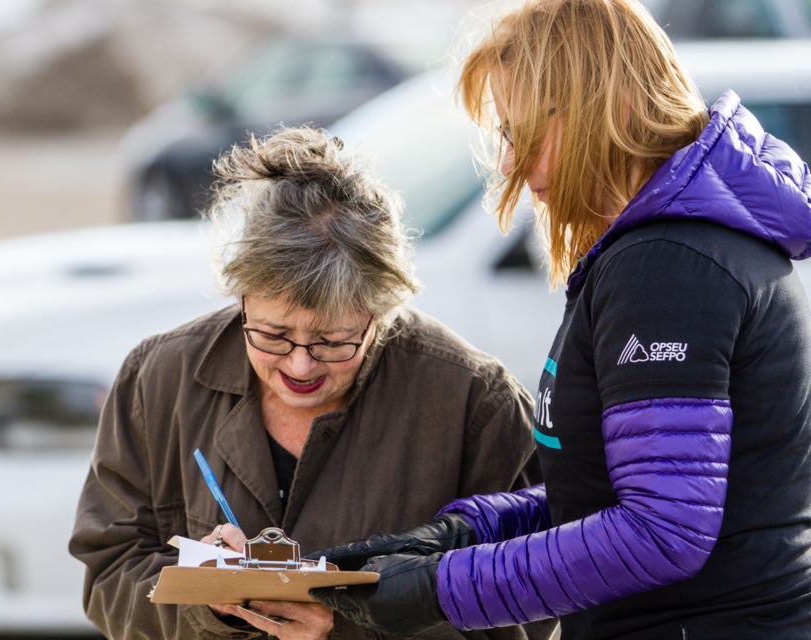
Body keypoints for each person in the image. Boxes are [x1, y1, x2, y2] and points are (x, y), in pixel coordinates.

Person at [307, 0, 811, 638]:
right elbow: (601, 496)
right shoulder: (666, 250)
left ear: (613, 107)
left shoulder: (670, 264)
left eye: (523, 136)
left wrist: (439, 589)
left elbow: (663, 532)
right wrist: (459, 535)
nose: (513, 167)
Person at [68, 126, 555, 640]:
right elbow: (108, 572)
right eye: (273, 335)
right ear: (241, 300)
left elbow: (527, 616)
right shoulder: (158, 378)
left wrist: (347, 628)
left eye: (333, 341)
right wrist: (208, 606)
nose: (300, 367)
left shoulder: (475, 403)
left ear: (382, 311)